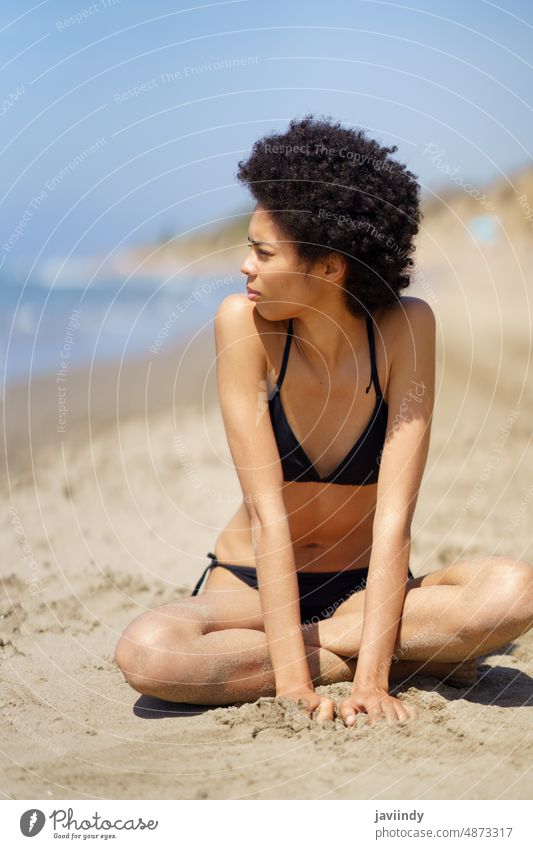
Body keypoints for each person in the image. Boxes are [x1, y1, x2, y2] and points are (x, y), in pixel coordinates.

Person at [115, 115, 533, 727]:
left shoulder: (405, 328)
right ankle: (395, 647)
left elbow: (395, 522)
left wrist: (370, 681)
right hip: (251, 587)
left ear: (330, 268)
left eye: (262, 252)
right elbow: (267, 514)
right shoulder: (244, 327)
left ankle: (359, 645)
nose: (244, 267)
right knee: (150, 655)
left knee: (514, 592)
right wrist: (293, 685)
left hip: (365, 588)